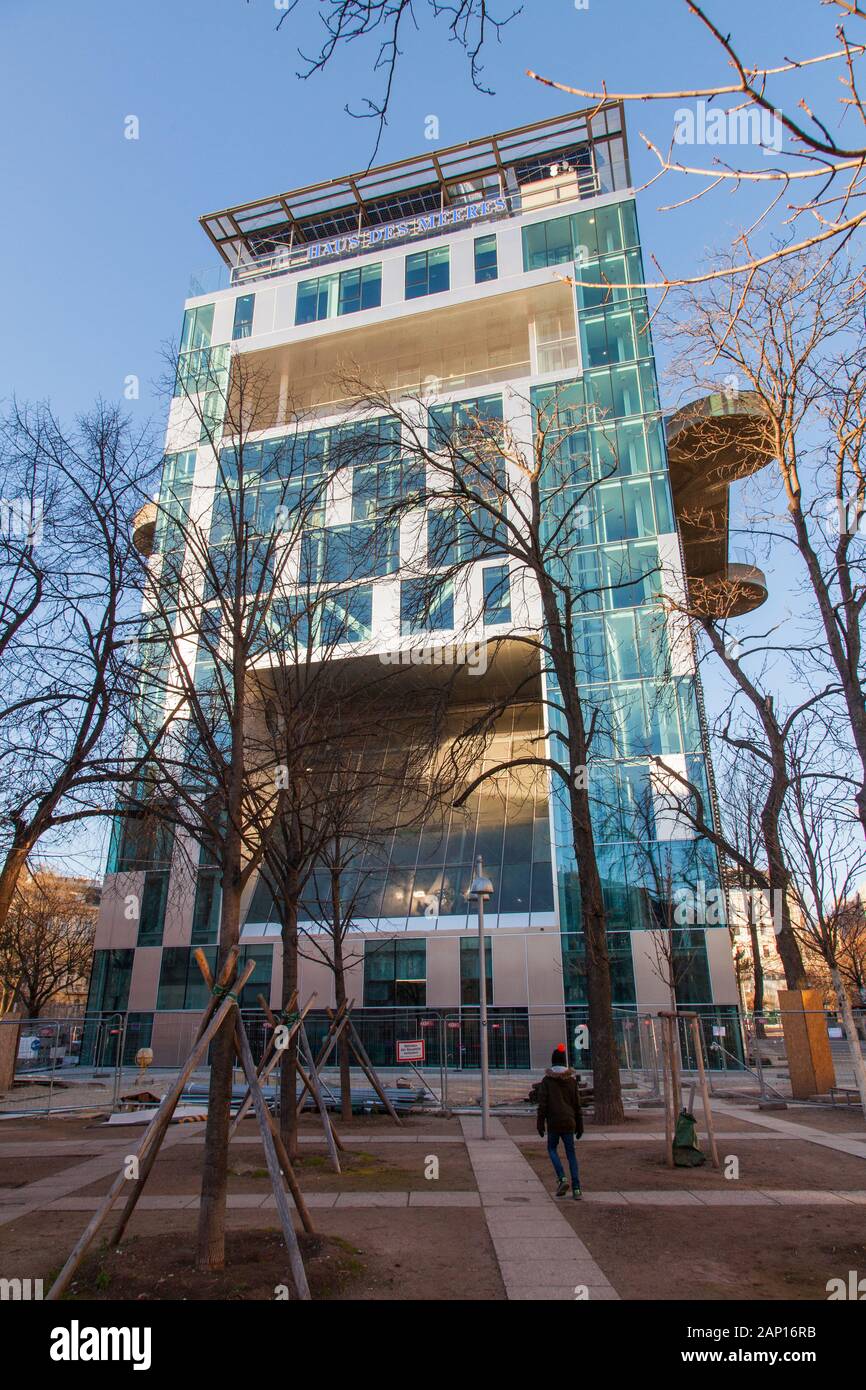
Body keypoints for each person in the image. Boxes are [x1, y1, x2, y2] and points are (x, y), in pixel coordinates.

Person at [536, 1044, 583, 1199]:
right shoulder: (571, 1082)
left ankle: (562, 1178)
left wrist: (540, 1121)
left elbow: (543, 1103)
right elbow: (577, 1104)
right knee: (571, 1154)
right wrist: (580, 1123)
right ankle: (576, 1188)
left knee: (552, 1149)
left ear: (553, 1062)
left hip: (554, 1122)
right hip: (569, 1121)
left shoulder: (547, 1081)